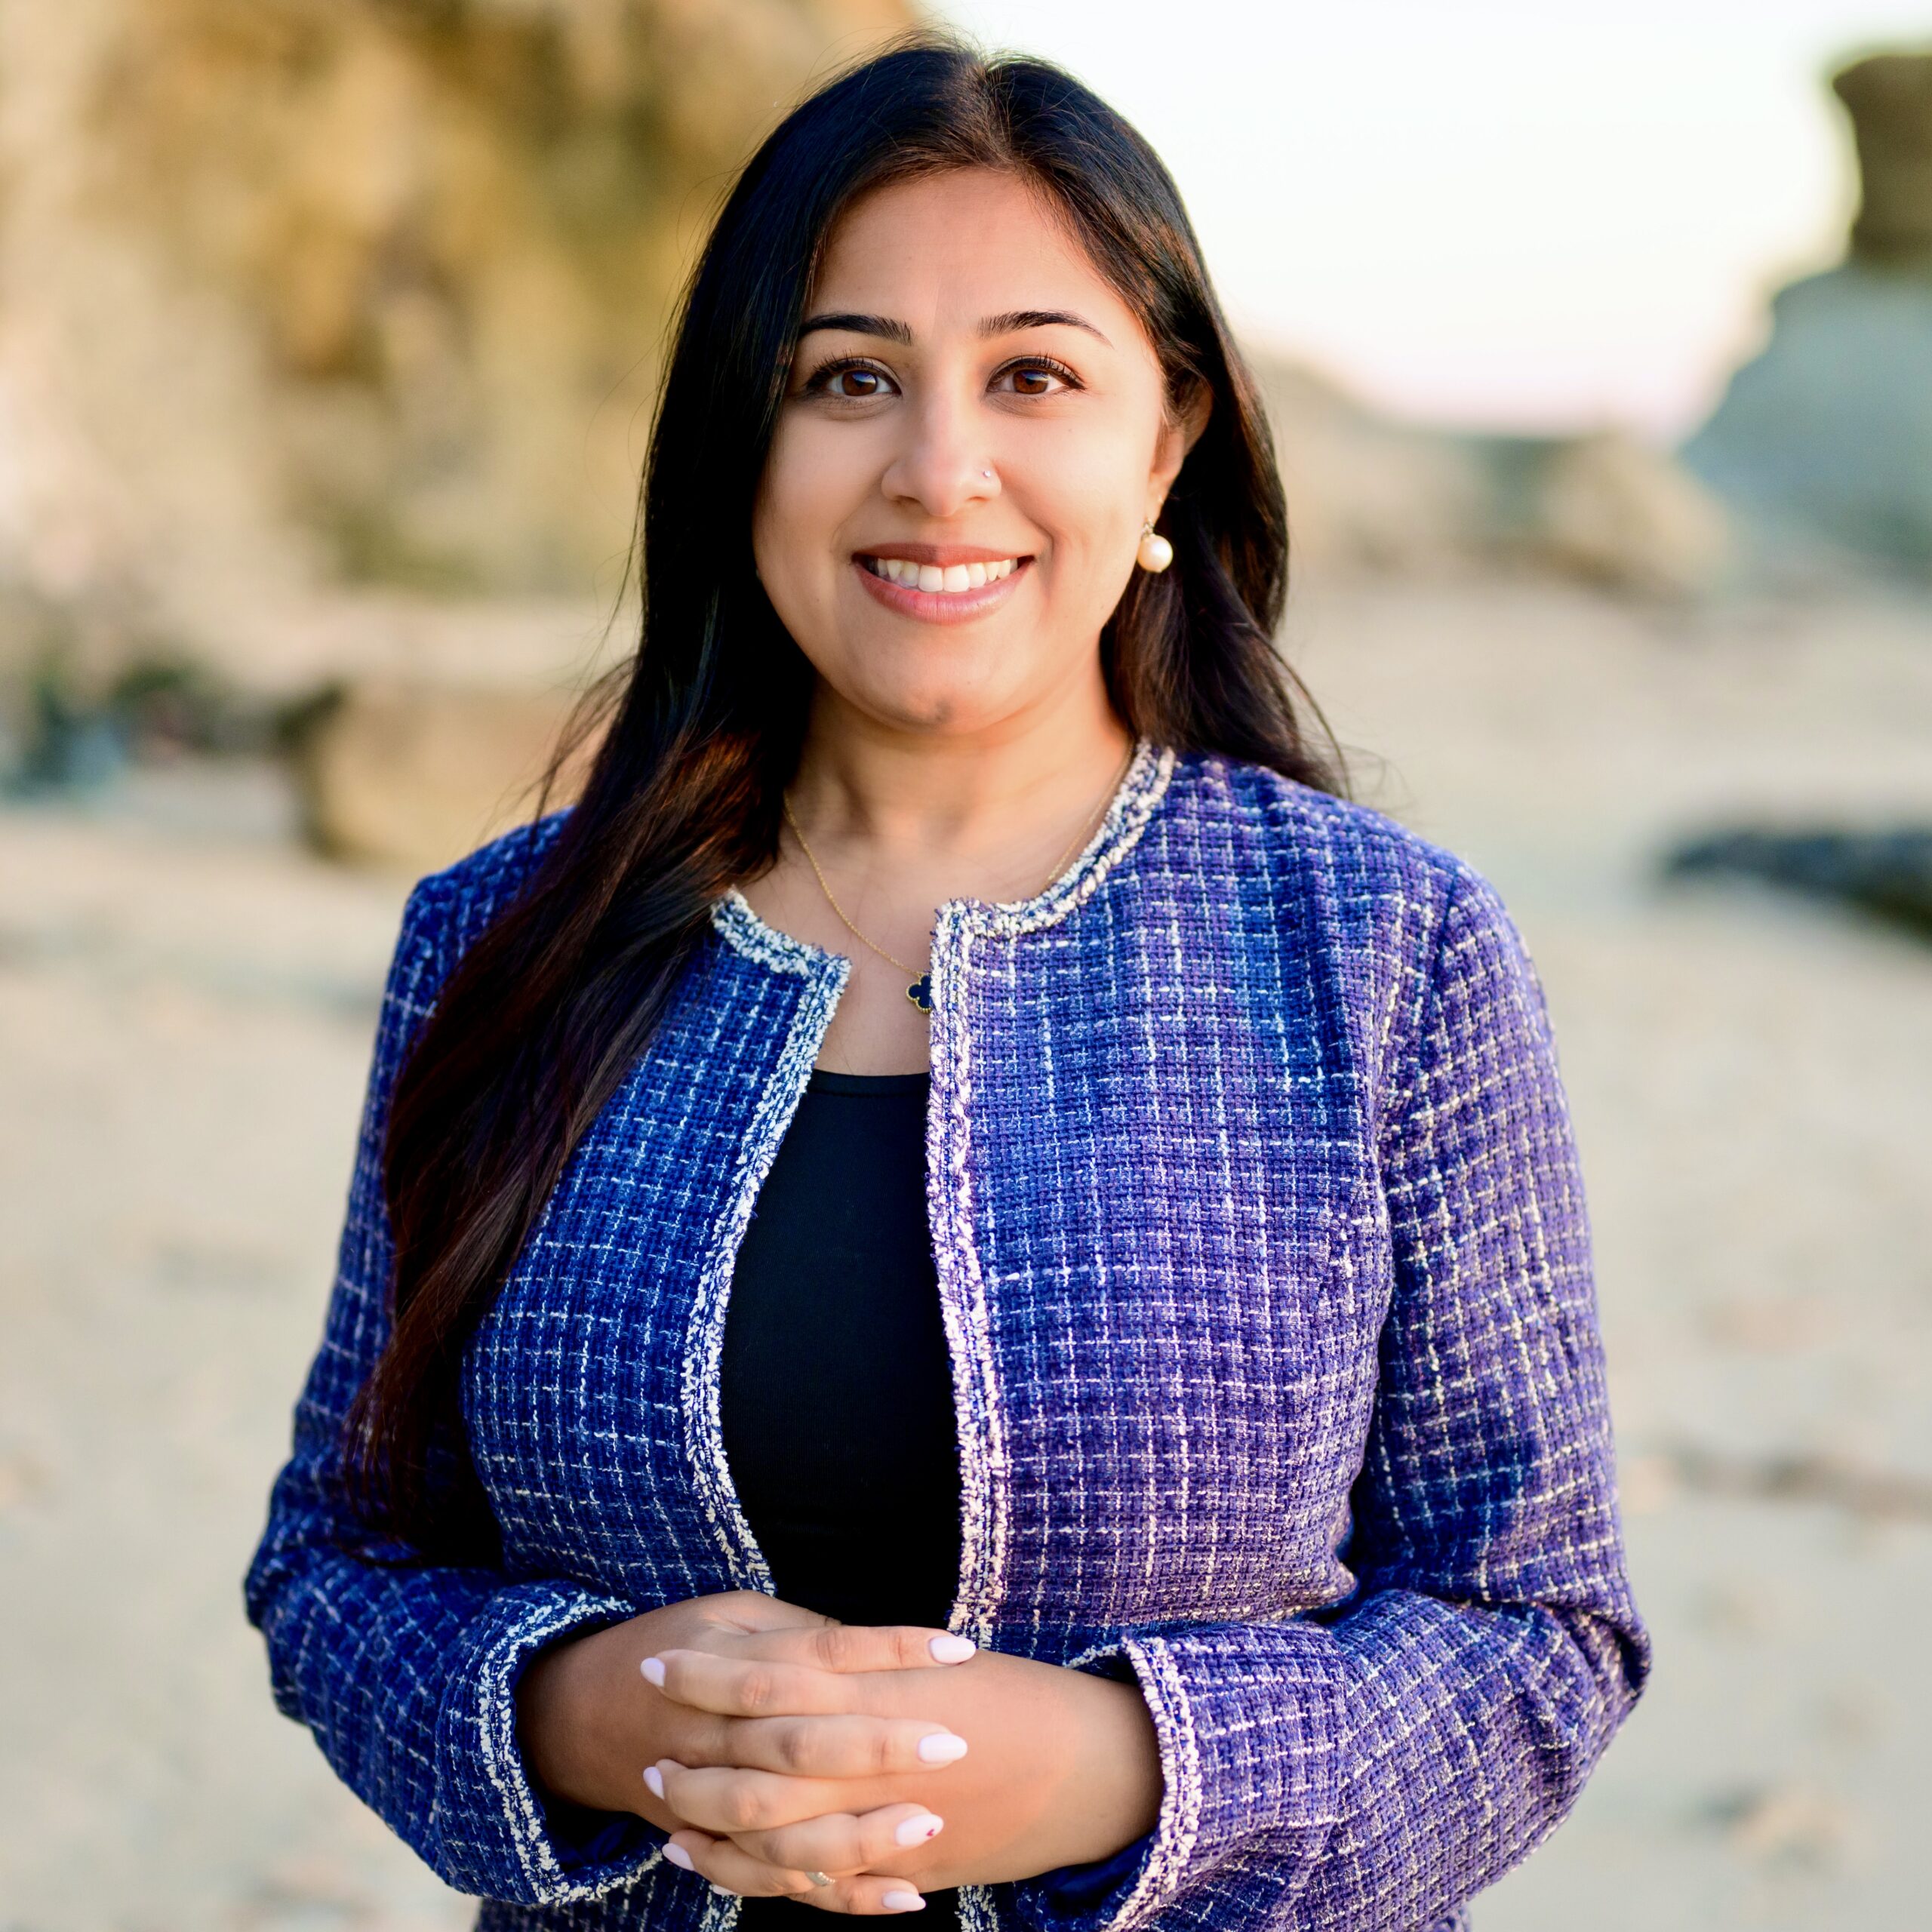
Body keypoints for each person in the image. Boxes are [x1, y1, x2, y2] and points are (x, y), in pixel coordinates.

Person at [244, 29, 1651, 1932]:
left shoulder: (1386, 951)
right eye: (848, 378)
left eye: (1033, 376)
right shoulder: (502, 942)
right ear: (742, 442)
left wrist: (1113, 1766)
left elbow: (1537, 1627)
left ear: (1165, 444)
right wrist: (582, 1714)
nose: (937, 467)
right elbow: (339, 1557)